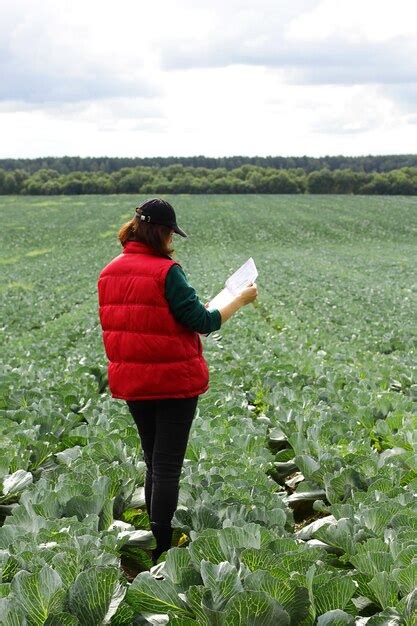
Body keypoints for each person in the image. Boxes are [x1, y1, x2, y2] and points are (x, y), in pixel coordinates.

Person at [97, 198, 258, 566]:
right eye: (171, 233)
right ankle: (163, 548)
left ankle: (154, 541)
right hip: (173, 383)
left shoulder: (108, 272)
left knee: (154, 461)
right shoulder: (166, 271)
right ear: (164, 232)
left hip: (134, 382)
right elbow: (202, 321)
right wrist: (240, 299)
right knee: (168, 466)